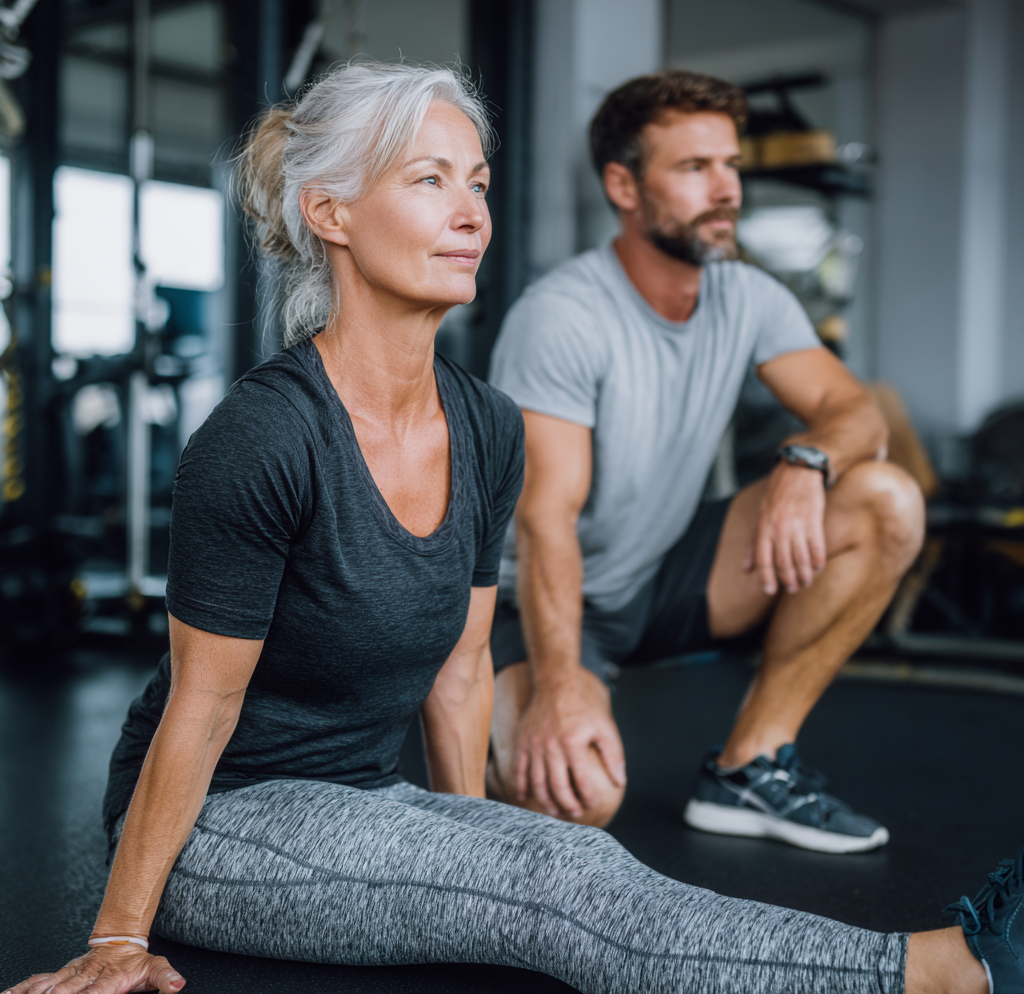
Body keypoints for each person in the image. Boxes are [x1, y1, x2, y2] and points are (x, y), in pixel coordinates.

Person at [6, 61, 1015, 994]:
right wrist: (119, 937)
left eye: (479, 184)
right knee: (557, 869)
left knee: (534, 858)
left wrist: (470, 837)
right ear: (331, 213)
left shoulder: (483, 421)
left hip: (360, 796)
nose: (470, 214)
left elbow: (460, 664)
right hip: (217, 827)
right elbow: (202, 704)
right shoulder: (263, 436)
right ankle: (948, 968)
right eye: (431, 181)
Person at [486, 70, 926, 851]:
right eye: (694, 169)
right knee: (573, 801)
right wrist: (559, 692)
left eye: (730, 165)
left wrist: (805, 461)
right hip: (538, 605)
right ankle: (518, 711)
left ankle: (749, 768)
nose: (726, 189)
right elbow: (543, 520)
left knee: (885, 499)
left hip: (660, 576)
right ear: (623, 185)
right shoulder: (562, 315)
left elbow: (855, 411)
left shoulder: (747, 297)